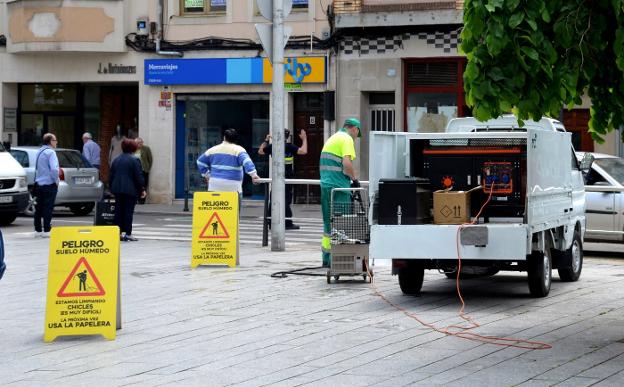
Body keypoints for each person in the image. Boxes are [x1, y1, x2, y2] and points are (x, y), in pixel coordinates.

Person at [319, 118, 362, 267]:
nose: (356, 136)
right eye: (357, 133)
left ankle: (327, 258)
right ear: (354, 129)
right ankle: (339, 260)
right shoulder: (346, 139)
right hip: (339, 186)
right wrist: (355, 179)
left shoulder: (333, 138)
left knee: (328, 223)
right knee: (341, 223)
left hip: (326, 185)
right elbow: (346, 163)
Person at [259, 128, 308, 229]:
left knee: (274, 198)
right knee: (286, 200)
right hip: (287, 177)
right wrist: (304, 139)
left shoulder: (273, 146)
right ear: (287, 137)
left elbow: (260, 151)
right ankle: (287, 223)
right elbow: (304, 151)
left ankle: (270, 222)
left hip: (276, 176)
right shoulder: (289, 147)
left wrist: (266, 140)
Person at [196, 128, 260, 195]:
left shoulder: (213, 150)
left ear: (224, 137)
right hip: (233, 186)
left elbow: (200, 162)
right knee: (234, 205)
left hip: (215, 185)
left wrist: (207, 175)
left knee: (216, 204)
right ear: (236, 139)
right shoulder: (239, 150)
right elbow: (247, 162)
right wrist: (253, 175)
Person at [109, 138, 146, 242]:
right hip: (130, 190)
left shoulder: (116, 159)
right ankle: (128, 233)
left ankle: (118, 233)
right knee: (128, 212)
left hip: (117, 189)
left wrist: (111, 188)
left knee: (118, 211)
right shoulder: (135, 160)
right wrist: (142, 189)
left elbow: (111, 175)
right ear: (133, 148)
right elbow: (138, 177)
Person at [34, 133, 60, 238]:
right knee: (48, 207)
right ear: (50, 142)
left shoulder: (39, 152)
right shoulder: (51, 153)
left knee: (39, 207)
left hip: (39, 183)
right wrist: (56, 180)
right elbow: (54, 169)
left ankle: (38, 230)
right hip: (49, 184)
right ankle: (47, 230)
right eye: (55, 140)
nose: (56, 142)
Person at [134, 137, 153, 204]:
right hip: (135, 171)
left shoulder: (146, 149)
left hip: (144, 170)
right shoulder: (133, 149)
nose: (139, 144)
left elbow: (150, 159)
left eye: (140, 143)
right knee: (136, 185)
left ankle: (142, 200)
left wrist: (148, 168)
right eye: (137, 143)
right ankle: (136, 199)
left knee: (144, 185)